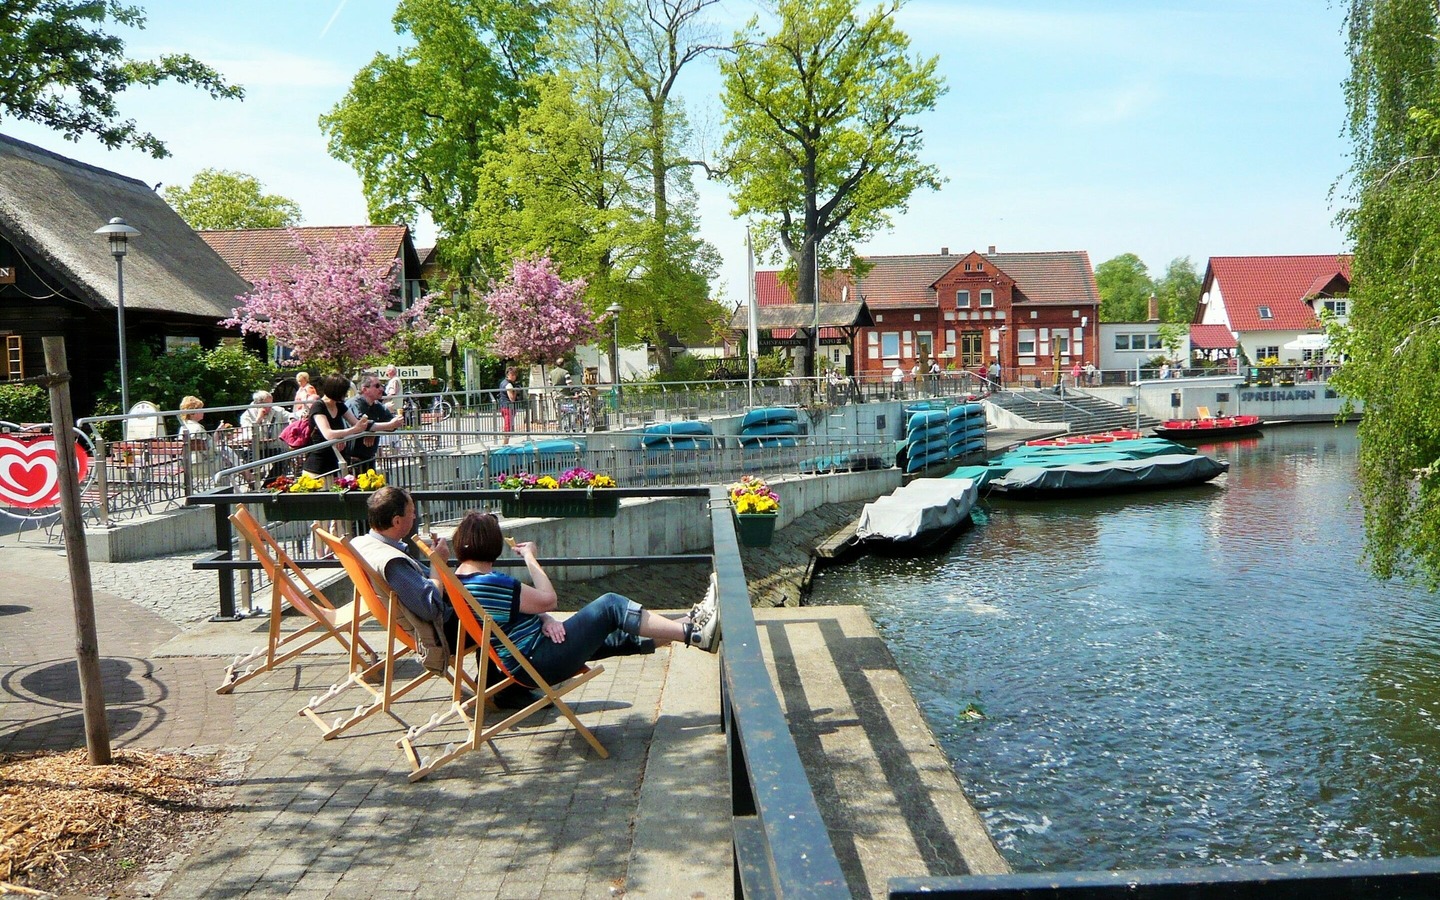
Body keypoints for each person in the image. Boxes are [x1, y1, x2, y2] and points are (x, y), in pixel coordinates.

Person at [451, 510, 718, 688]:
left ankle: (692, 621)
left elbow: (528, 609)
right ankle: (694, 634)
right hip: (539, 660)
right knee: (611, 605)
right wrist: (531, 557)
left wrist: (545, 619)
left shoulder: (462, 580)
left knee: (614, 637)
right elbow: (548, 598)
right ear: (493, 545)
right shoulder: (492, 583)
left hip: (531, 656)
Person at [351, 486, 459, 662]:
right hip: (441, 632)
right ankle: (497, 681)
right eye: (412, 512)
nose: (415, 517)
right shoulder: (391, 562)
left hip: (416, 623)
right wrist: (438, 563)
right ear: (397, 521)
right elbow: (430, 608)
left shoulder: (361, 544)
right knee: (498, 609)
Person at [303, 373, 371, 477]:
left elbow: (357, 424)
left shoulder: (339, 405)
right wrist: (353, 430)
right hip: (317, 467)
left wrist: (386, 426)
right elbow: (328, 434)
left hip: (334, 463)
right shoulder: (318, 406)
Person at [346, 374, 404, 471]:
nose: (381, 389)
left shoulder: (377, 405)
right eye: (377, 386)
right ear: (365, 389)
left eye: (381, 385)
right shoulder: (354, 403)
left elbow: (393, 425)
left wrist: (374, 431)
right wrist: (376, 427)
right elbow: (362, 424)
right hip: (352, 461)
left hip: (369, 458)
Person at [237, 390, 289, 481]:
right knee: (253, 464)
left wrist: (293, 418)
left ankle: (268, 485)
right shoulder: (247, 415)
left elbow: (291, 416)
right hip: (253, 448)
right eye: (267, 404)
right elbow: (248, 432)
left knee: (282, 459)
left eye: (271, 403)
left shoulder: (278, 410)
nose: (270, 407)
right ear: (258, 403)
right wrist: (258, 419)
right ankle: (252, 480)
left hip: (272, 446)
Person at [498, 365, 520, 443]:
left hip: (503, 406)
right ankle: (505, 444)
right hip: (508, 407)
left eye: (515, 375)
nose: (514, 377)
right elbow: (512, 399)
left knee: (508, 425)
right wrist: (516, 391)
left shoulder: (503, 382)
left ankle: (506, 443)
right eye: (512, 375)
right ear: (508, 375)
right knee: (508, 426)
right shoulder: (509, 385)